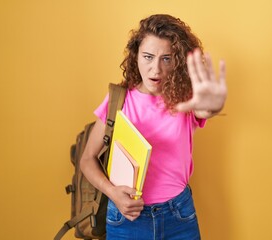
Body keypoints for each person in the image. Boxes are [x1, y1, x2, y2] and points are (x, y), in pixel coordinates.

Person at [80, 14, 227, 240]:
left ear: (178, 61)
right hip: (126, 217)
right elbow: (87, 158)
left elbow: (203, 110)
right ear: (135, 56)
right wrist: (113, 194)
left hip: (179, 215)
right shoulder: (118, 100)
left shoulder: (186, 98)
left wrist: (213, 107)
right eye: (148, 57)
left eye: (166, 59)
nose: (155, 69)